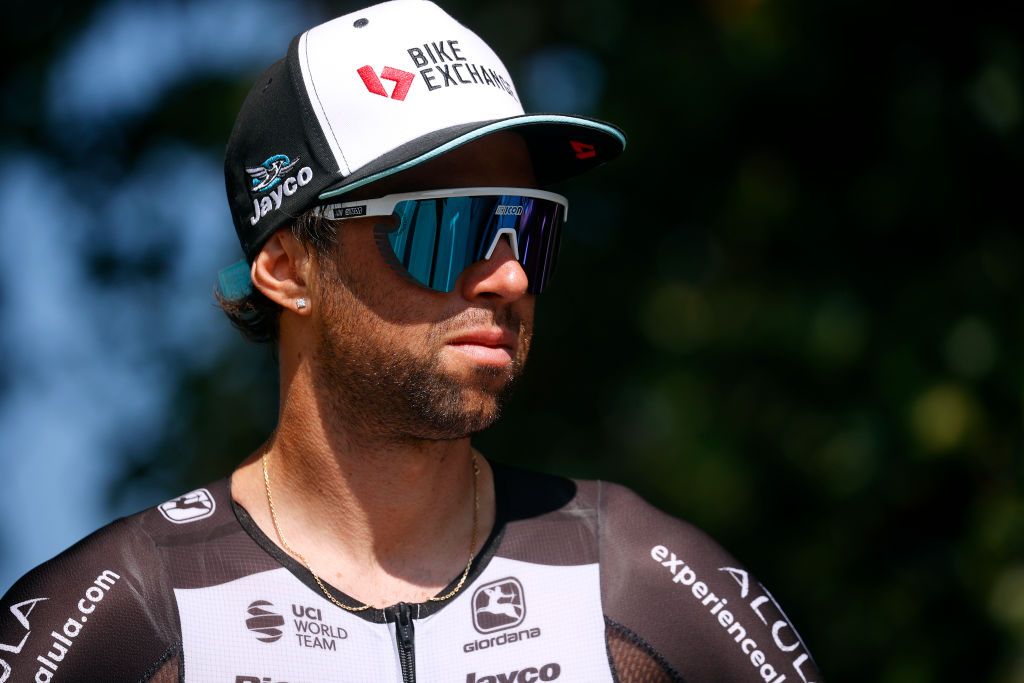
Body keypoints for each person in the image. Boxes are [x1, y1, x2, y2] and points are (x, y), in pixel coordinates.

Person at [0, 2, 821, 682]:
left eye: (525, 227)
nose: (507, 278)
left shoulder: (638, 579)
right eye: (445, 226)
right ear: (287, 270)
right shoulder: (128, 611)